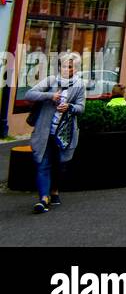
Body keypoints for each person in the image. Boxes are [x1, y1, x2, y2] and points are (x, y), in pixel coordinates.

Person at [26, 53, 85, 213]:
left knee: (60, 165)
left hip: (64, 133)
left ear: (76, 68)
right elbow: (29, 94)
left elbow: (81, 107)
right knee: (42, 164)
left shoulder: (79, 85)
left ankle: (54, 190)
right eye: (63, 65)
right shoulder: (51, 80)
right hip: (45, 131)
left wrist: (70, 107)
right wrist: (50, 95)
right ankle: (43, 199)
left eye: (69, 66)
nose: (66, 69)